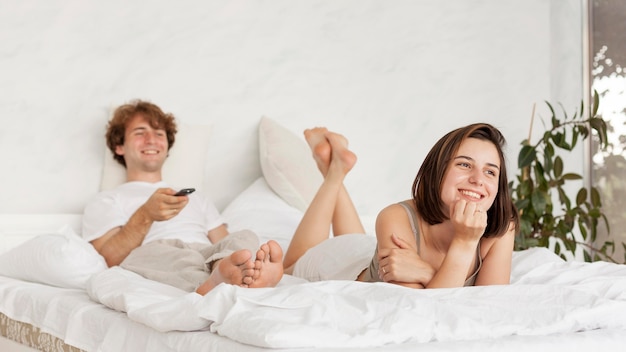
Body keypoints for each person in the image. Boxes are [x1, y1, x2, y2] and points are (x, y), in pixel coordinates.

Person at [82, 100, 284, 295]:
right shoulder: (106, 199)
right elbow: (108, 259)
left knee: (245, 237)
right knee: (151, 256)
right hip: (156, 252)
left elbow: (225, 241)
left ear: (166, 146)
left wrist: (231, 258)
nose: (151, 139)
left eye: (159, 133)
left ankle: (235, 275)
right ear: (119, 147)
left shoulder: (197, 197)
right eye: (140, 132)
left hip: (205, 253)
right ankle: (211, 284)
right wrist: (146, 214)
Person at [283, 123, 519, 288]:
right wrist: (465, 241)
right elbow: (423, 311)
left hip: (368, 252)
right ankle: (334, 172)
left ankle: (335, 167)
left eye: (490, 171)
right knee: (290, 267)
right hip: (338, 266)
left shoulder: (502, 228)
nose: (478, 179)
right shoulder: (396, 217)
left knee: (358, 240)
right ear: (437, 172)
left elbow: (489, 307)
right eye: (465, 165)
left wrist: (426, 272)